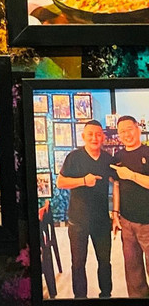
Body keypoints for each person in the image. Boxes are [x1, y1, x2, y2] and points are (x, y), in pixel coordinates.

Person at [57, 120, 114, 300]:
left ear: (103, 137)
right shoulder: (74, 157)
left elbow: (118, 183)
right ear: (83, 136)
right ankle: (80, 298)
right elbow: (60, 182)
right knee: (78, 263)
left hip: (102, 220)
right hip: (78, 221)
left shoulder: (108, 159)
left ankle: (106, 295)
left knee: (105, 262)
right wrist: (83, 181)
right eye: (90, 134)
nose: (94, 138)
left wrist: (116, 212)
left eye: (98, 134)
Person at [110, 114, 149, 298]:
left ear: (138, 129)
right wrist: (115, 213)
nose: (126, 134)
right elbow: (117, 186)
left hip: (147, 222)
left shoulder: (147, 152)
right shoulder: (118, 156)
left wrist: (132, 175)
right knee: (132, 270)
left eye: (129, 129)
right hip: (126, 222)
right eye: (122, 132)